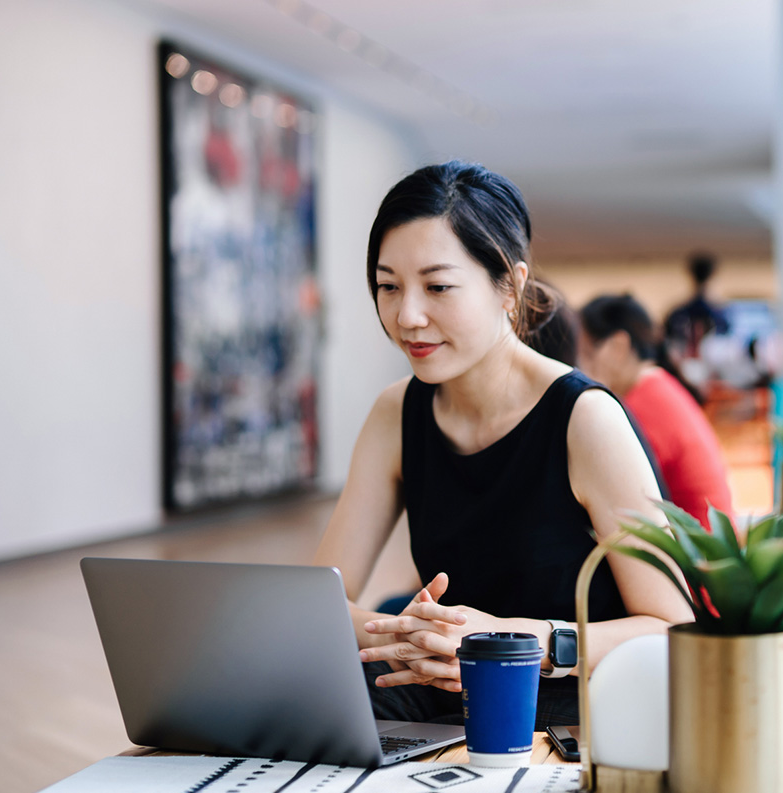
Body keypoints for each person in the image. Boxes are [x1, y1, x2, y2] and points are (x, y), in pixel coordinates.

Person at [311, 162, 691, 729]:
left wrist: (507, 642)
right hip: (445, 690)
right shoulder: (397, 412)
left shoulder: (584, 419)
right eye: (388, 286)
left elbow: (671, 630)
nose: (407, 316)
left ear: (509, 287)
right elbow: (318, 603)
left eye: (438, 287)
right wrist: (423, 638)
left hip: (573, 700)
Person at [578, 294, 734, 530]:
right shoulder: (658, 388)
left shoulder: (641, 406)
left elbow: (620, 495)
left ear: (619, 346)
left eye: (587, 354)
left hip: (695, 559)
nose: (581, 368)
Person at [662, 252, 730, 400]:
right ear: (713, 275)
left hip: (684, 376)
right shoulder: (720, 315)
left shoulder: (677, 313)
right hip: (707, 378)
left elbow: (668, 347)